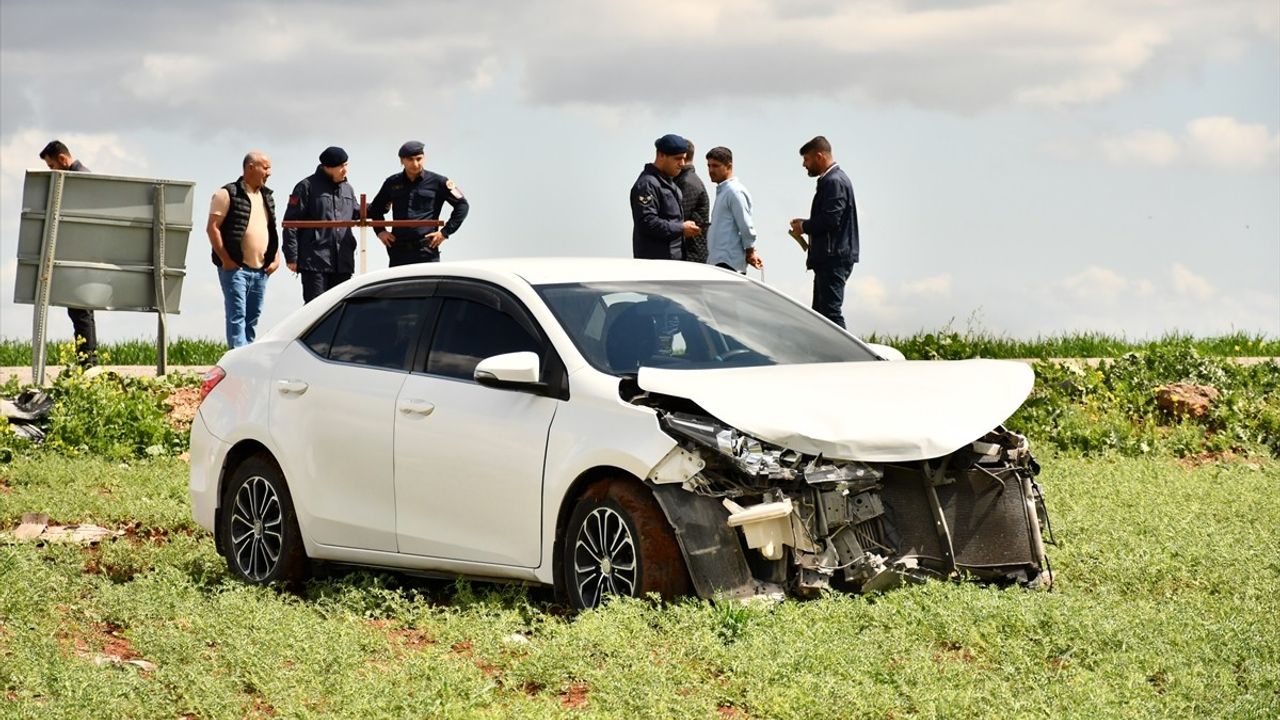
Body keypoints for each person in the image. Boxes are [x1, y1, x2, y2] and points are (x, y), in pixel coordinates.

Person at [206, 151, 281, 348]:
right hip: (236, 268)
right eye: (266, 168)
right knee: (237, 314)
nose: (269, 173)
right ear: (250, 167)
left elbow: (271, 229)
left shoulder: (267, 197)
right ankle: (237, 358)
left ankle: (246, 355)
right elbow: (212, 227)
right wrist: (226, 260)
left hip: (261, 270)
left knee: (253, 317)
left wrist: (276, 258)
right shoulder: (226, 193)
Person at [789, 136, 858, 328]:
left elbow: (831, 220)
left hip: (833, 258)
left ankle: (845, 348)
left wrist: (804, 227)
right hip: (831, 257)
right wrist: (805, 224)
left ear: (819, 157)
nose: (804, 164)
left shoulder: (833, 181)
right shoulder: (833, 180)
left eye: (806, 159)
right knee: (821, 317)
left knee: (830, 315)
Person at [38, 140, 96, 366]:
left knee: (80, 310)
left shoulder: (77, 181)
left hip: (81, 254)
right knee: (80, 311)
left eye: (52, 166)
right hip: (85, 252)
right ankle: (87, 359)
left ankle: (87, 361)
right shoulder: (84, 177)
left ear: (62, 159)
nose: (52, 171)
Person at [367, 141, 469, 266]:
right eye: (410, 159)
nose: (415, 164)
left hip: (426, 250)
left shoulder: (438, 182)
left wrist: (445, 232)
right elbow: (376, 208)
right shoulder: (392, 183)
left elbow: (462, 205)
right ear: (402, 161)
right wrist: (380, 231)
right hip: (398, 251)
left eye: (419, 159)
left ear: (424, 158)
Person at [283, 146, 359, 303]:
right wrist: (292, 256)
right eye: (341, 166)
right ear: (327, 167)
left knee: (341, 308)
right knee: (316, 307)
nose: (345, 170)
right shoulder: (306, 186)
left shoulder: (348, 189)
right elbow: (291, 223)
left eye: (346, 164)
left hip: (343, 261)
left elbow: (356, 211)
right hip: (315, 261)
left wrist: (381, 205)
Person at [630, 134, 700, 260]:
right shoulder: (647, 184)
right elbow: (648, 222)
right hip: (657, 263)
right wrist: (681, 228)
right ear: (661, 155)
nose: (682, 163)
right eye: (677, 158)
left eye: (684, 158)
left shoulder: (669, 183)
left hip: (673, 261)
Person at [705, 146, 763, 274]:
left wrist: (750, 250)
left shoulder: (734, 191)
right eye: (709, 166)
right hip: (718, 261)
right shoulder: (724, 191)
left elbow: (745, 225)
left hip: (728, 263)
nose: (711, 170)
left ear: (729, 166)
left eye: (715, 166)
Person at [674, 140, 710, 263]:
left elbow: (678, 217)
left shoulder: (687, 182)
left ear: (682, 157)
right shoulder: (684, 179)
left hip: (691, 255)